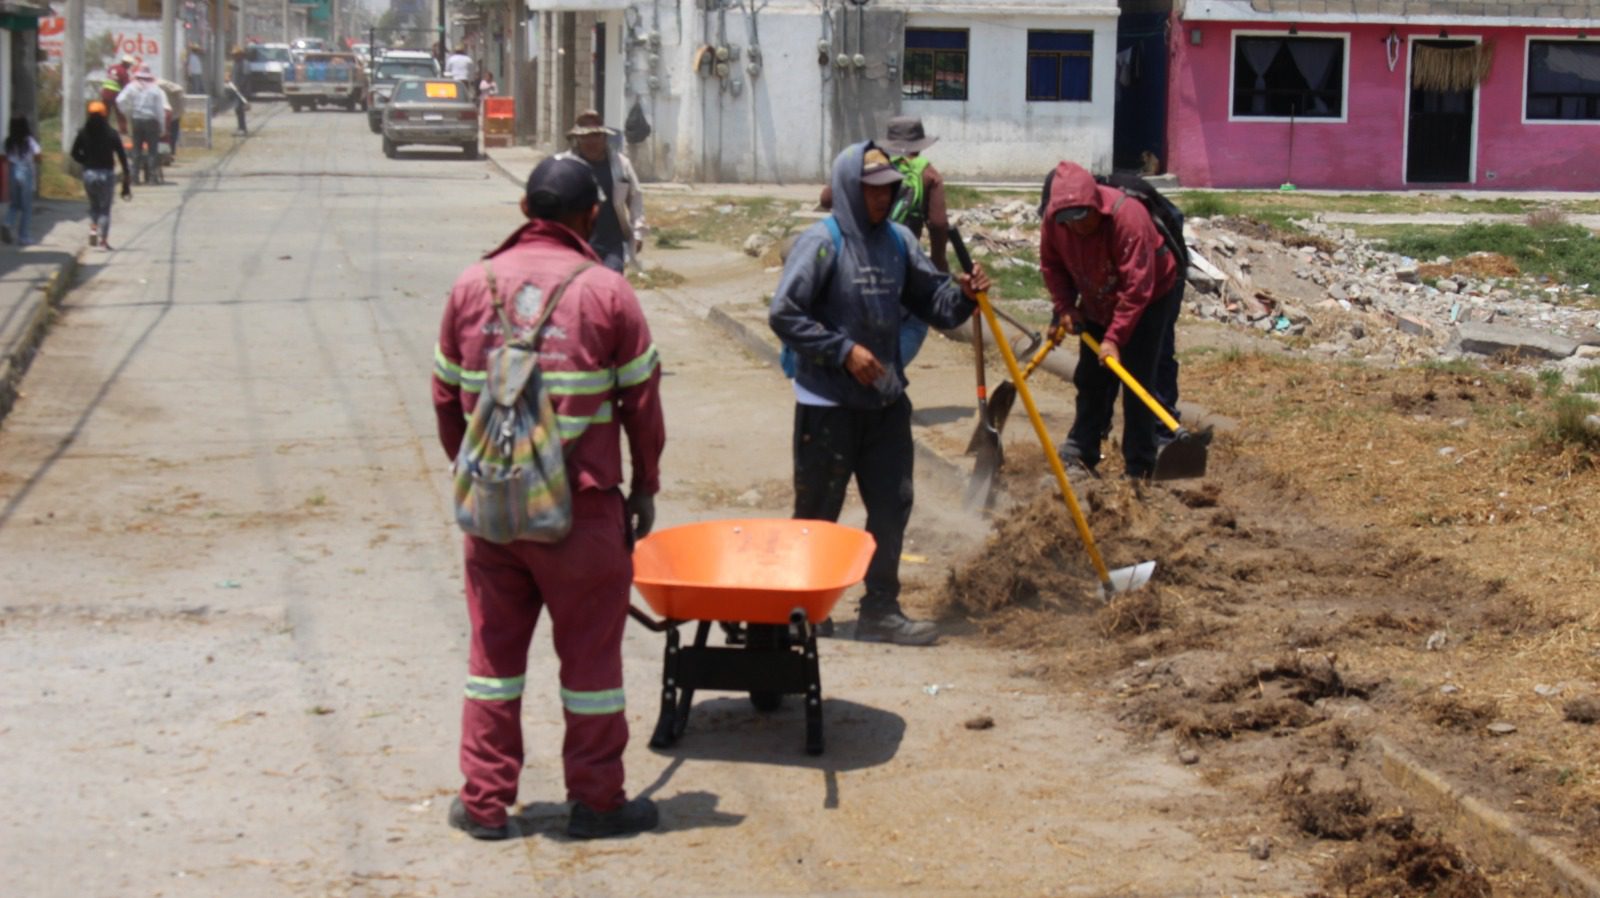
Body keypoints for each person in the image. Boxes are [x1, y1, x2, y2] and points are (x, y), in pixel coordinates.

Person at [431, 155, 665, 841]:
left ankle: (483, 803)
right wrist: (645, 485)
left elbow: (447, 399)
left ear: (527, 212)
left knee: (492, 665)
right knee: (592, 666)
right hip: (583, 515)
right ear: (591, 215)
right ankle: (596, 802)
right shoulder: (608, 293)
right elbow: (642, 407)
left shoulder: (470, 286)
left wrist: (480, 476)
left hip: (495, 517)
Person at [768, 143, 988, 646]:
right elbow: (785, 314)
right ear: (849, 188)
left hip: (885, 402)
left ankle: (881, 610)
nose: (882, 199)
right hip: (827, 405)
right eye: (872, 190)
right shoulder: (821, 243)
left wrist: (965, 297)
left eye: (889, 189)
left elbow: (935, 302)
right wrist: (842, 351)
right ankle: (806, 609)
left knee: (892, 505)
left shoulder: (898, 243)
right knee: (818, 512)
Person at [1039, 161, 1184, 480]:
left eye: (1081, 217)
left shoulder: (1128, 219)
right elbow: (1052, 265)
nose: (1075, 227)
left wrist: (1114, 339)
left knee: (1137, 382)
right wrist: (1065, 306)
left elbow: (1138, 288)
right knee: (1089, 378)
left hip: (1149, 298)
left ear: (1095, 205)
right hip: (1097, 296)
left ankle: (1140, 464)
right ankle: (1082, 450)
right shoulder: (1055, 222)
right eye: (1067, 221)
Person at [555, 110, 646, 273]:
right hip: (578, 245)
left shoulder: (621, 164)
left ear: (604, 138)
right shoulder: (566, 165)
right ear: (577, 139)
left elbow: (635, 198)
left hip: (611, 244)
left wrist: (638, 232)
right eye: (585, 137)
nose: (591, 142)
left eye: (596, 136)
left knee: (611, 283)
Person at [70, 102, 132, 250]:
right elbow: (121, 154)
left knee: (94, 206)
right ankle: (103, 241)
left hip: (89, 174)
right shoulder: (111, 133)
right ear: (105, 115)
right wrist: (126, 173)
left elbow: (74, 153)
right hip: (106, 174)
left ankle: (93, 228)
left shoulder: (83, 132)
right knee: (105, 208)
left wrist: (85, 161)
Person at [117, 69, 171, 184]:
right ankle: (152, 178)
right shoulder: (156, 90)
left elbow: (120, 100)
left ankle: (134, 178)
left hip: (137, 120)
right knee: (152, 150)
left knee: (136, 150)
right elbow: (159, 111)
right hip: (152, 121)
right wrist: (162, 127)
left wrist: (128, 112)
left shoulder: (132, 87)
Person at [2, 117, 41, 246]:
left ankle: (7, 223)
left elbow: (3, 157)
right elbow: (38, 155)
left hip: (12, 171)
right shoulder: (29, 141)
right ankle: (23, 236)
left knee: (14, 204)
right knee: (26, 207)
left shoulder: (8, 141)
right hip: (26, 171)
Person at [101, 54, 136, 132]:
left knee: (105, 112)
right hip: (115, 95)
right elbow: (126, 86)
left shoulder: (112, 67)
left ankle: (101, 129)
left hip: (105, 93)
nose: (130, 66)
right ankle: (123, 130)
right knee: (120, 113)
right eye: (130, 65)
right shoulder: (123, 72)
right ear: (127, 64)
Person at [227, 49, 251, 137]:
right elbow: (234, 75)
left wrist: (240, 86)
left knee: (239, 109)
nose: (234, 57)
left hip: (243, 90)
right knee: (237, 110)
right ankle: (240, 128)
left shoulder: (245, 63)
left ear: (240, 55)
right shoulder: (235, 63)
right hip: (236, 89)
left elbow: (246, 77)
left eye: (235, 55)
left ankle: (243, 129)